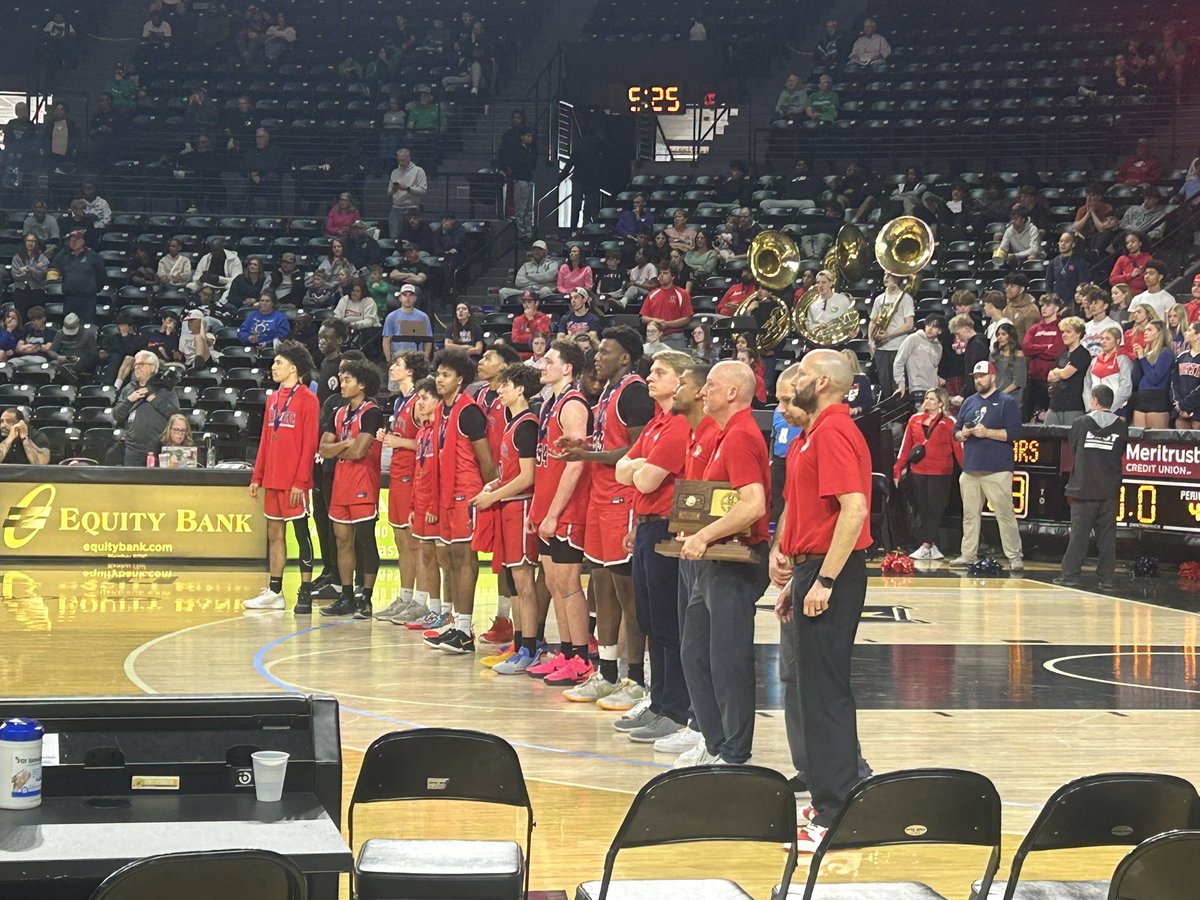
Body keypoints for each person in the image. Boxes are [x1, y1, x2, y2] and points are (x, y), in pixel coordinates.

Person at [769, 350, 871, 849]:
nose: (796, 378)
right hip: (815, 565)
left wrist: (825, 581)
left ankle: (835, 813)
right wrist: (799, 578)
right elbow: (817, 517)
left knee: (825, 694)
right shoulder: (817, 431)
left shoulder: (832, 431)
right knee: (813, 691)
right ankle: (831, 800)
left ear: (825, 382)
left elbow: (854, 509)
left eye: (804, 372)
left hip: (834, 570)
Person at [675, 360, 771, 768]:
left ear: (733, 392)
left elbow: (754, 504)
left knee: (727, 659)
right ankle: (715, 742)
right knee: (694, 653)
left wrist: (704, 535)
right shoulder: (724, 434)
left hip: (736, 561)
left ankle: (734, 752)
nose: (703, 391)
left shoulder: (741, 435)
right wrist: (695, 528)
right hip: (715, 560)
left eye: (711, 385)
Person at [555, 328, 654, 706]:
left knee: (627, 593)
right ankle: (607, 671)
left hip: (622, 499)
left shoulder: (635, 391)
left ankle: (637, 678)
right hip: (599, 496)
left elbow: (638, 450)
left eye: (606, 352)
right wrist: (582, 446)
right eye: (598, 351)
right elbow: (609, 443)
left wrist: (588, 457)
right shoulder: (609, 392)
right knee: (601, 586)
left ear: (625, 358)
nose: (598, 357)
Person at [614, 350, 697, 742]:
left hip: (667, 528)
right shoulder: (655, 424)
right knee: (649, 621)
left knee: (666, 623)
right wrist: (639, 466)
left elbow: (645, 480)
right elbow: (622, 469)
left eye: (660, 372)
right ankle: (659, 700)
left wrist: (638, 467)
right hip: (646, 527)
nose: (650, 377)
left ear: (681, 381)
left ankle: (675, 708)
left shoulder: (679, 425)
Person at [522, 339, 594, 678]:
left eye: (549, 361)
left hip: (566, 510)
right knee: (553, 584)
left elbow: (576, 464)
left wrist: (553, 513)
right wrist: (539, 510)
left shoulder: (573, 404)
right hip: (548, 508)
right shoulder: (551, 403)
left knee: (568, 585)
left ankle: (581, 659)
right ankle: (566, 653)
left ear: (567, 368)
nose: (541, 365)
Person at [422, 350, 495, 654]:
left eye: (446, 374)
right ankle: (457, 624)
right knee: (450, 558)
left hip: (468, 492)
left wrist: (490, 493)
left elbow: (487, 461)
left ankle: (465, 632)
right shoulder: (442, 410)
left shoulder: (469, 411)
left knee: (464, 558)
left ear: (460, 379)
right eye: (438, 374)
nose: (440, 379)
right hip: (447, 493)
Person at [471, 364, 543, 667]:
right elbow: (511, 471)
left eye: (505, 385)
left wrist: (493, 496)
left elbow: (528, 477)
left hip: (521, 508)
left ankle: (530, 648)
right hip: (509, 506)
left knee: (524, 582)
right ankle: (518, 644)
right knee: (514, 582)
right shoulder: (513, 423)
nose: (499, 390)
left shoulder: (527, 425)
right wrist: (494, 483)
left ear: (520, 390)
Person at [244, 342, 320, 613]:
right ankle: (275, 591)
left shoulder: (308, 399)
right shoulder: (273, 398)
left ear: (293, 368)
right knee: (274, 534)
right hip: (272, 479)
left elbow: (310, 444)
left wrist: (301, 482)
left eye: (278, 363)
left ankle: (306, 591)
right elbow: (265, 439)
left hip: (293, 483)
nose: (273, 367)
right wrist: (257, 475)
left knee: (301, 535)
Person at [318, 359, 385, 618]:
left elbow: (359, 451)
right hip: (341, 483)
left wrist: (342, 447)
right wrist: (346, 443)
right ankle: (346, 596)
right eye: (341, 379)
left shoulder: (372, 412)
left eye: (347, 380)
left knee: (365, 541)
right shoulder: (338, 412)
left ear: (362, 384)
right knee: (342, 541)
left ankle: (365, 598)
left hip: (363, 483)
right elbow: (323, 449)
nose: (342, 384)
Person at [374, 350, 432, 624]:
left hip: (413, 476)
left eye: (397, 364)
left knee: (415, 542)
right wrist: (389, 438)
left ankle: (421, 601)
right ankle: (405, 596)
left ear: (409, 371)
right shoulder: (399, 401)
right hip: (397, 475)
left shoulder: (419, 402)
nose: (392, 368)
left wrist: (399, 442)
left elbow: (429, 442)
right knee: (400, 541)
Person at [951, 361, 1023, 571]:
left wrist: (988, 432)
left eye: (982, 376)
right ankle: (968, 553)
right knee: (970, 515)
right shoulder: (969, 402)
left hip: (997, 469)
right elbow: (955, 430)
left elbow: (1015, 434)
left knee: (1005, 514)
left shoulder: (1006, 402)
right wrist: (961, 434)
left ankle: (1014, 556)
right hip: (971, 468)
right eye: (975, 377)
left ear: (992, 376)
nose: (978, 380)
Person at [1055, 386, 1128, 589]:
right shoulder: (1121, 426)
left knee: (1078, 536)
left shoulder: (1080, 423)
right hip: (1109, 490)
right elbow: (1120, 450)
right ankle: (1106, 579)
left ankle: (1070, 575)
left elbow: (1074, 447)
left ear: (1094, 400)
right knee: (1107, 538)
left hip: (1084, 488)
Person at [895, 387, 961, 560]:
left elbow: (958, 448)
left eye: (932, 399)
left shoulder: (949, 422)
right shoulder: (914, 420)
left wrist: (967, 468)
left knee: (935, 508)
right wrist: (897, 469)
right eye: (926, 398)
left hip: (940, 473)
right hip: (918, 471)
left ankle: (926, 545)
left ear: (941, 402)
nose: (928, 401)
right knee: (922, 508)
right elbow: (905, 446)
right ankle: (929, 545)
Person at [112, 351, 182, 467]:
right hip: (133, 448)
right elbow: (117, 415)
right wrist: (130, 400)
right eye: (135, 365)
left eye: (141, 364)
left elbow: (175, 415)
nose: (137, 367)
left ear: (153, 368)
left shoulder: (165, 389)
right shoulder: (129, 388)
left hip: (159, 447)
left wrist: (153, 399)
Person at [868, 273, 914, 398]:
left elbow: (909, 324)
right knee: (885, 384)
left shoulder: (906, 298)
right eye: (884, 275)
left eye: (890, 275)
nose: (886, 278)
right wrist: (870, 340)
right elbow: (873, 322)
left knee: (898, 385)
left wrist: (890, 334)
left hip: (898, 347)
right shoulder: (879, 299)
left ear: (898, 277)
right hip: (881, 348)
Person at [1021, 295, 1066, 420]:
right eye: (1042, 305)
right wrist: (1045, 347)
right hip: (1034, 378)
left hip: (1052, 380)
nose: (1043, 308)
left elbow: (1057, 351)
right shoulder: (1034, 328)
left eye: (1048, 305)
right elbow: (1026, 348)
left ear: (1056, 308)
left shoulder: (1061, 328)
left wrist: (1037, 349)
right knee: (1030, 416)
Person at [51, 229, 106, 325]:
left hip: (87, 299)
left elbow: (102, 276)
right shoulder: (63, 257)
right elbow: (53, 267)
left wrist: (93, 289)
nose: (73, 242)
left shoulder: (93, 257)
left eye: (75, 240)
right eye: (71, 240)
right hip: (70, 299)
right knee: (69, 325)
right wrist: (64, 250)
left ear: (82, 241)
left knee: (87, 326)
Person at [1045, 317, 1090, 426]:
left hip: (1072, 407)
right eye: (1063, 332)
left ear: (1078, 333)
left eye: (1068, 332)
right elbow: (1049, 377)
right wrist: (1059, 372)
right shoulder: (1062, 354)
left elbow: (1065, 374)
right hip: (1055, 405)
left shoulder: (1082, 354)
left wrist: (1057, 372)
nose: (1064, 335)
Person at [1131, 320, 1174, 429]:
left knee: (1157, 440)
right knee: (1138, 441)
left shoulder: (1166, 353)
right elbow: (1136, 380)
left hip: (1157, 398)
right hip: (1141, 397)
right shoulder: (1144, 354)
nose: (1145, 332)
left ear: (1160, 333)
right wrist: (1137, 359)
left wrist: (1142, 358)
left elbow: (1155, 378)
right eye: (1145, 330)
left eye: (1149, 330)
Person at [1085, 326, 1134, 418]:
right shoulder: (1095, 360)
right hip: (1094, 409)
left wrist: (1109, 408)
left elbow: (1125, 387)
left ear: (1118, 341)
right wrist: (1090, 405)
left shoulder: (1123, 360)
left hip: (1117, 409)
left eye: (1107, 339)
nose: (1103, 341)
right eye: (1102, 339)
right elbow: (1087, 385)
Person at [640, 269, 694, 350]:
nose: (661, 276)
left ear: (673, 276)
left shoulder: (682, 294)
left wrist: (667, 324)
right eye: (660, 273)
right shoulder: (652, 294)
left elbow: (687, 318)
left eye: (665, 273)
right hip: (654, 336)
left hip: (674, 336)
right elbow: (643, 318)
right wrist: (656, 321)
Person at [893, 315, 944, 401]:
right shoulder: (913, 339)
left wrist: (937, 379)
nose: (930, 328)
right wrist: (901, 384)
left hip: (932, 390)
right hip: (916, 388)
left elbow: (933, 367)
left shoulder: (938, 347)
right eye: (928, 325)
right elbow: (899, 362)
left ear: (940, 331)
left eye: (934, 326)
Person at [387, 149, 428, 238]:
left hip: (411, 209)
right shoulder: (395, 172)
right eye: (399, 160)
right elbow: (389, 192)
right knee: (394, 238)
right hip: (395, 209)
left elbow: (423, 191)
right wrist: (394, 189)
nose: (401, 162)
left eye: (403, 160)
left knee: (409, 238)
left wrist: (408, 188)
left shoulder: (418, 171)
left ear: (409, 158)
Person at [11, 234, 51, 320]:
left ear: (36, 243)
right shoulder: (16, 258)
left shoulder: (42, 258)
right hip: (21, 292)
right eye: (28, 240)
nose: (30, 243)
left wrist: (28, 269)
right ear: (24, 242)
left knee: (37, 318)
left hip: (37, 292)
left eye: (33, 241)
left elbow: (41, 275)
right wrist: (35, 268)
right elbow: (16, 275)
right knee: (21, 318)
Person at [992, 324, 1027, 409]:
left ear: (1011, 336)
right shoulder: (994, 355)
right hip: (994, 396)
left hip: (1012, 398)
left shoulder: (1018, 355)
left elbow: (1018, 382)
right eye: (998, 335)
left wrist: (1000, 395)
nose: (1000, 337)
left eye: (1003, 334)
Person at [1045, 232, 1087, 303]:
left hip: (1073, 301)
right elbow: (1048, 283)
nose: (1063, 244)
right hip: (1056, 301)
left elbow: (1083, 283)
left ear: (1073, 244)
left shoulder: (1080, 262)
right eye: (1061, 241)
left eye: (1067, 241)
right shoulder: (1053, 262)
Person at [1173, 323, 1200, 429]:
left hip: (1196, 409)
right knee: (1181, 444)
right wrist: (1178, 404)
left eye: (1189, 330)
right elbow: (1174, 382)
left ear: (1197, 335)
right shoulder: (1181, 357)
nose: (1185, 332)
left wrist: (1186, 405)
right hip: (1181, 410)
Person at [1109, 231, 1152, 297]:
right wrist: (1130, 276)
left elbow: (1144, 282)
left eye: (1133, 241)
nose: (1130, 245)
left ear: (1140, 243)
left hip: (1144, 294)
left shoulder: (1148, 258)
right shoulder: (1122, 259)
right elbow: (1112, 280)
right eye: (1127, 243)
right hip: (1125, 296)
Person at [1001, 273, 1039, 341]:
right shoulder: (1007, 306)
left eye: (1012, 286)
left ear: (1021, 289)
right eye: (1007, 286)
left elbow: (1031, 341)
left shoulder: (1031, 311)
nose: (1007, 289)